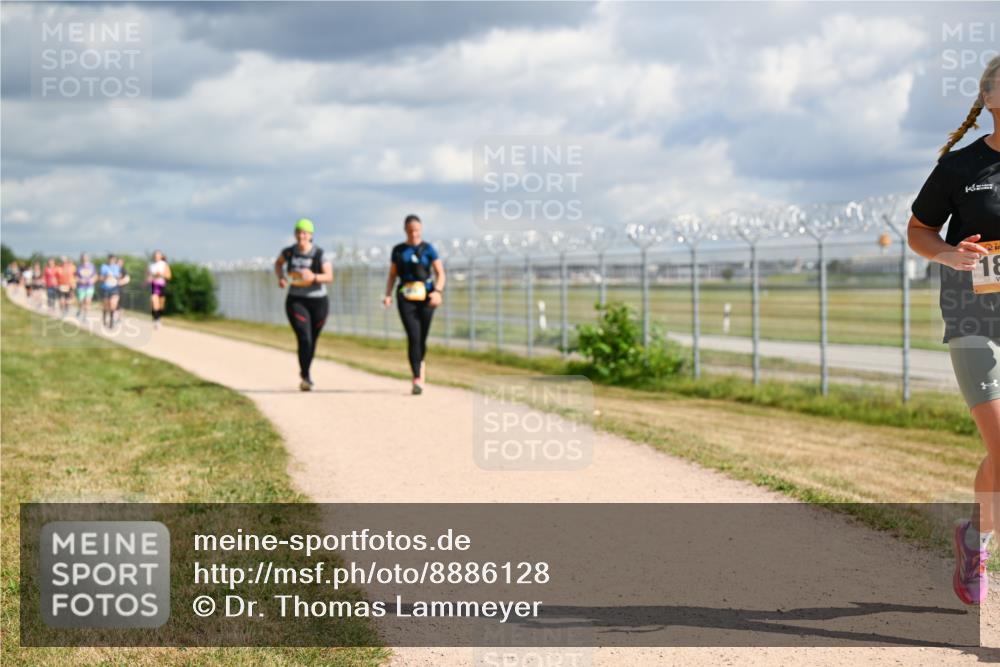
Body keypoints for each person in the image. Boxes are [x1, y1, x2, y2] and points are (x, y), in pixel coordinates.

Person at [908, 54, 1000, 606]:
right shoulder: (960, 168)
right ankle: (980, 541)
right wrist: (948, 254)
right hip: (973, 315)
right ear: (991, 99)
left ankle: (974, 536)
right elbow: (919, 229)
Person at [382, 214, 445, 395]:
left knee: (422, 337)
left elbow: (440, 273)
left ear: (421, 229)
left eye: (416, 230)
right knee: (414, 335)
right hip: (406, 297)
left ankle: (420, 364)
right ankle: (417, 377)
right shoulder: (399, 250)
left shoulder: (428, 249)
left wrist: (438, 292)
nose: (413, 234)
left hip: (426, 297)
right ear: (405, 230)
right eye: (410, 230)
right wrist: (388, 294)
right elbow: (392, 275)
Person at [274, 218, 333, 391]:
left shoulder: (319, 254)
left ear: (311, 235)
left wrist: (313, 277)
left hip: (318, 301)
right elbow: (278, 264)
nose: (301, 236)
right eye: (299, 232)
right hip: (296, 300)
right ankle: (306, 375)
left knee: (312, 339)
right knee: (304, 336)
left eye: (305, 232)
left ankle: (306, 372)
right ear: (295, 234)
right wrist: (281, 278)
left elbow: (329, 276)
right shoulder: (289, 253)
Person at [147, 250, 171, 329]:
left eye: (158, 255)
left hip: (162, 285)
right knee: (154, 301)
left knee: (161, 304)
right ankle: (156, 319)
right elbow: (148, 276)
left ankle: (159, 317)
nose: (156, 257)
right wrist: (149, 279)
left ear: (161, 256)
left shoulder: (164, 265)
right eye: (155, 255)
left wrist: (161, 274)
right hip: (154, 285)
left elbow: (169, 276)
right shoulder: (151, 265)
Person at [99, 254, 123, 328]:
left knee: (113, 304)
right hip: (105, 288)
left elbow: (119, 276)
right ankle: (104, 318)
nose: (112, 261)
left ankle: (112, 321)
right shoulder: (104, 267)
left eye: (113, 260)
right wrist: (106, 277)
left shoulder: (116, 267)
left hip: (114, 288)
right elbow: (100, 277)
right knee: (106, 305)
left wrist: (119, 277)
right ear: (108, 259)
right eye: (110, 259)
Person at [75, 253, 97, 320]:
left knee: (88, 301)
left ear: (88, 258)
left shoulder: (92, 266)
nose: (85, 259)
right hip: (81, 287)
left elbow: (95, 276)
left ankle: (85, 316)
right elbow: (75, 277)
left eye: (86, 257)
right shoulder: (79, 267)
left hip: (89, 286)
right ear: (81, 258)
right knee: (81, 301)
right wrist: (80, 280)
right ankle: (80, 309)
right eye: (83, 257)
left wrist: (93, 280)